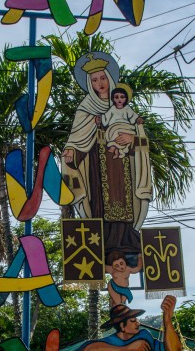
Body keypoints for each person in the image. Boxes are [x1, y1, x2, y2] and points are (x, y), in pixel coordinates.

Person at [61, 52, 153, 265]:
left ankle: (125, 240)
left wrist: (132, 137)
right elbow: (77, 140)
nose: (99, 83)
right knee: (101, 204)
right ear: (89, 83)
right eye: (94, 80)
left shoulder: (124, 109)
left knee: (124, 199)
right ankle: (104, 241)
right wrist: (71, 153)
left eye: (103, 78)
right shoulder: (85, 110)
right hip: (96, 165)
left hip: (124, 165)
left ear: (109, 79)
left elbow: (142, 143)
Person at [100, 84, 144, 159]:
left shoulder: (127, 108)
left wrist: (138, 119)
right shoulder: (112, 109)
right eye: (116, 97)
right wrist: (99, 119)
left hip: (125, 126)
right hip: (114, 127)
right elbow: (105, 119)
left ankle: (117, 148)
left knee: (123, 135)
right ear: (113, 99)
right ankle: (117, 149)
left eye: (122, 97)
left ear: (126, 98)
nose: (119, 99)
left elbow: (133, 117)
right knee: (114, 132)